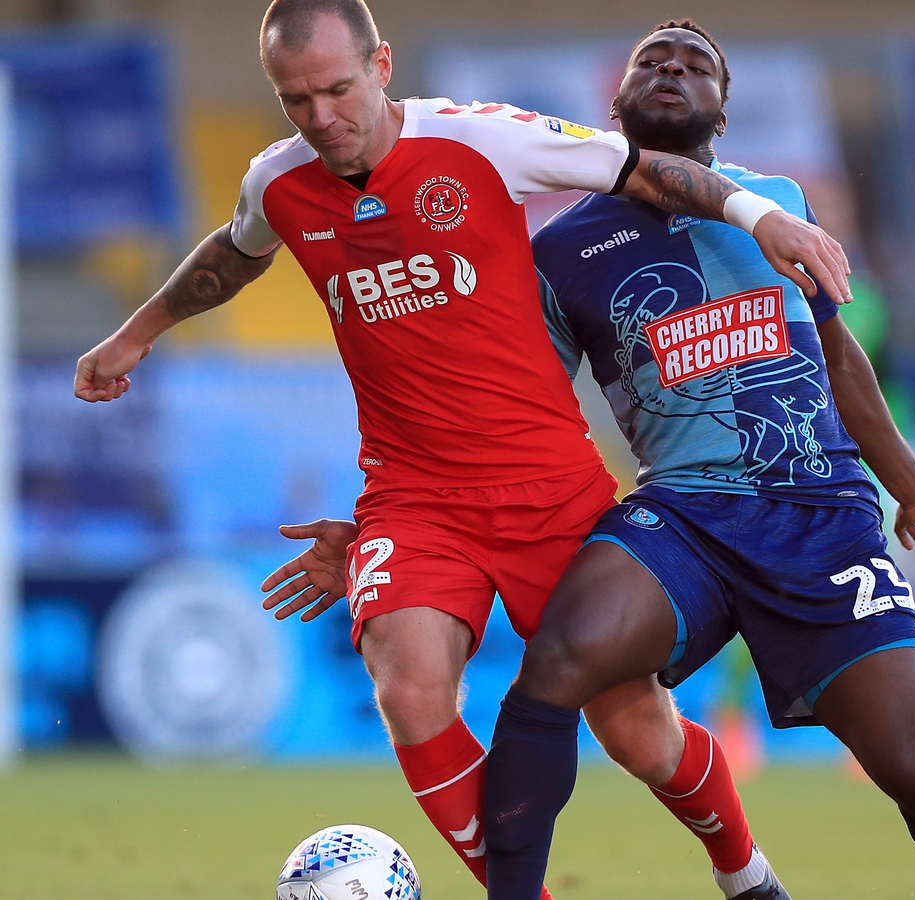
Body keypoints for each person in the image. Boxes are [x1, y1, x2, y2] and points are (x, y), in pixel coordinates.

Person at [73, 2, 851, 898]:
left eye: (336, 89)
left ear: (381, 65)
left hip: (553, 489)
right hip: (414, 502)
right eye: (297, 101)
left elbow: (644, 171)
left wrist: (763, 220)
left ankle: (745, 875)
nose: (322, 118)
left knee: (638, 729)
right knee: (408, 689)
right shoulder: (278, 181)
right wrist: (139, 332)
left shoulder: (483, 140)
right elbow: (238, 251)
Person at [468, 21, 915, 900]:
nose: (672, 70)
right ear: (613, 103)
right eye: (651, 61)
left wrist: (903, 474)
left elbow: (839, 353)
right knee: (557, 661)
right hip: (685, 514)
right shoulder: (559, 249)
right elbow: (529, 406)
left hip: (820, 516)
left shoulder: (777, 200)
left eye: (696, 66)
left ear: (721, 112)